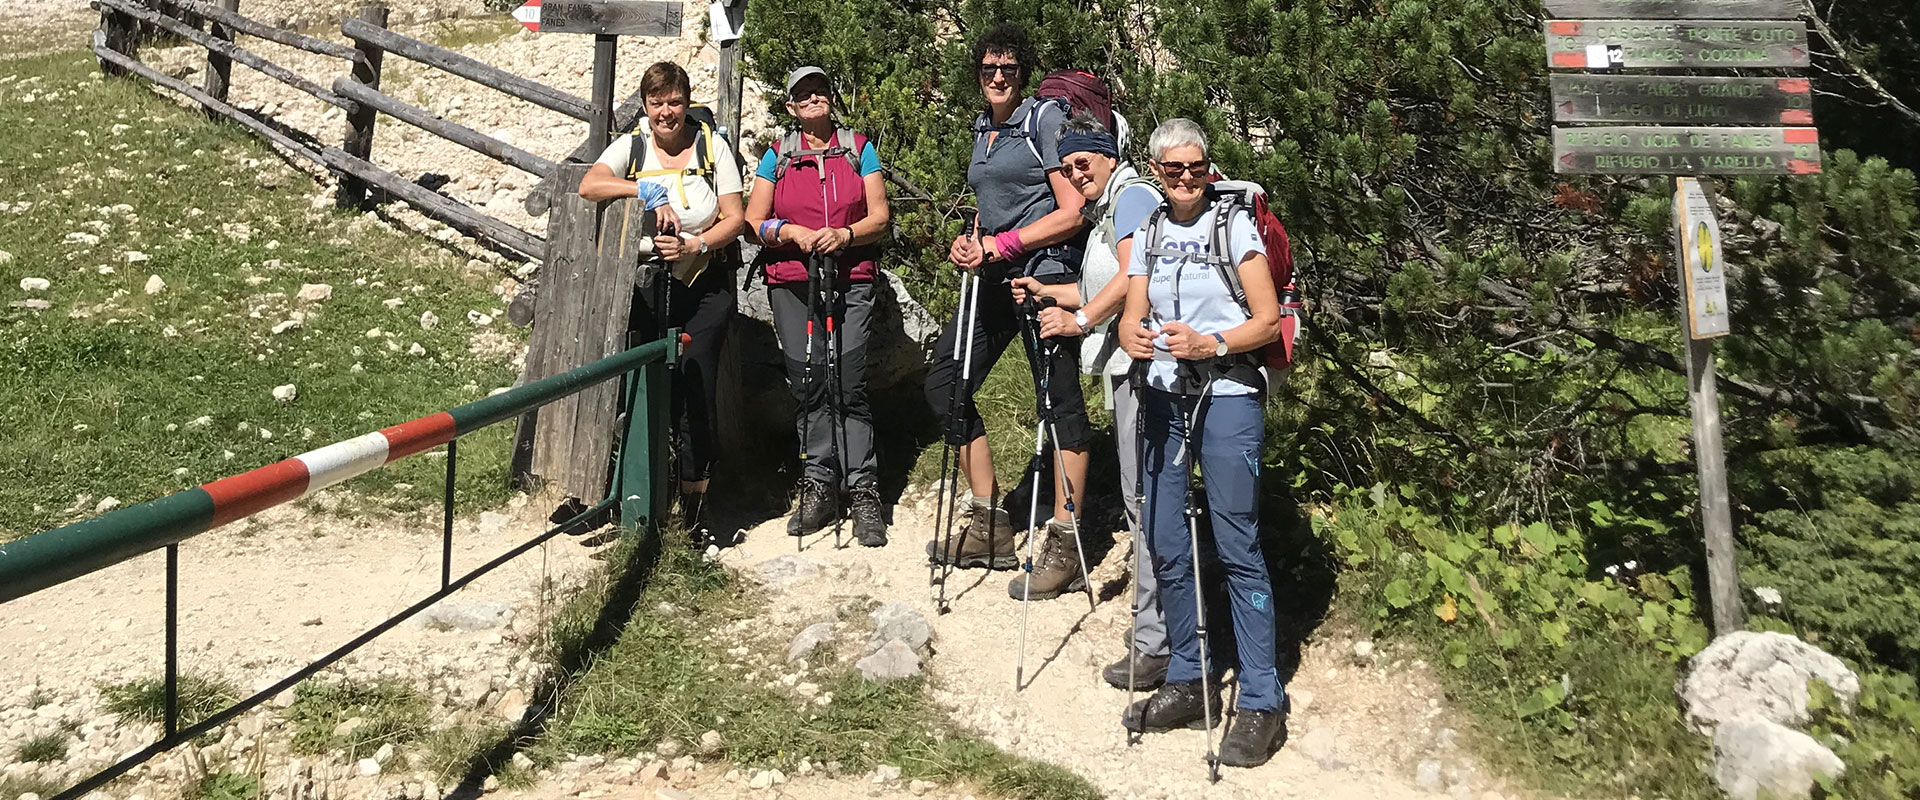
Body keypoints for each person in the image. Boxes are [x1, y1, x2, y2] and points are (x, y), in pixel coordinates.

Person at [1117, 118, 1287, 767]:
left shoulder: (1233, 224)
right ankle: (1190, 675)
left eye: (1196, 168)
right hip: (1163, 393)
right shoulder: (1151, 228)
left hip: (1228, 394)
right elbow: (1136, 308)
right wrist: (1134, 334)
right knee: (1164, 535)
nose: (1186, 179)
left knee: (1237, 541)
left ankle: (1262, 699)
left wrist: (1211, 343)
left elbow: (1266, 320)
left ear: (1209, 167)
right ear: (1156, 170)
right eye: (1173, 170)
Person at [1008, 113, 1174, 690]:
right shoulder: (1114, 205)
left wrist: (1078, 320)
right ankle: (1159, 623)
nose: (1076, 175)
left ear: (1110, 155)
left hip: (1147, 368)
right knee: (1143, 494)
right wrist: (1046, 291)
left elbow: (1133, 278)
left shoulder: (1132, 198)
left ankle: (1161, 633)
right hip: (1132, 367)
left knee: (1145, 496)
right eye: (1069, 165)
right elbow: (1105, 281)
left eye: (1085, 162)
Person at [925, 25, 1092, 579]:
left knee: (1059, 401)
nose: (998, 78)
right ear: (977, 74)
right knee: (945, 380)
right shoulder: (985, 129)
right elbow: (995, 206)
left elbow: (1071, 211)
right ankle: (990, 521)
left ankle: (1067, 540)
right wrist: (974, 240)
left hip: (1044, 275)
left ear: (1023, 75)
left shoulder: (1041, 121)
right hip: (995, 274)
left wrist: (1002, 245)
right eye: (989, 69)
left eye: (1009, 70)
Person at [578, 61, 747, 541]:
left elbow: (734, 217)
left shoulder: (713, 147)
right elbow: (589, 184)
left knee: (696, 381)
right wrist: (647, 189)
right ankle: (635, 496)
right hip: (645, 284)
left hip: (705, 282)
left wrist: (698, 244)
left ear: (687, 102)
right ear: (646, 106)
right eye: (657, 104)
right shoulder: (633, 146)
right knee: (641, 386)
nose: (667, 113)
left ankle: (694, 511)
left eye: (675, 102)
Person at [744, 65, 892, 547]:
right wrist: (790, 233)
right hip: (791, 281)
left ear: (831, 98)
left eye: (819, 91)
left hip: (850, 279)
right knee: (808, 381)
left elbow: (880, 217)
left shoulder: (859, 147)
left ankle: (863, 488)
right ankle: (819, 482)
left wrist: (846, 235)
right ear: (790, 107)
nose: (813, 99)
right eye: (802, 95)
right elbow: (754, 219)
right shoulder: (778, 155)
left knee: (848, 380)